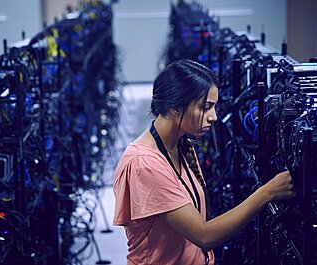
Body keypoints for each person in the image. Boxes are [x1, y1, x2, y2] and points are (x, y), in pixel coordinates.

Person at [113, 59, 294, 265]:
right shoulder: (144, 164)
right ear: (175, 108)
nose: (214, 117)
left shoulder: (181, 144)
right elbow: (204, 236)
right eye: (205, 107)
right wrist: (267, 192)